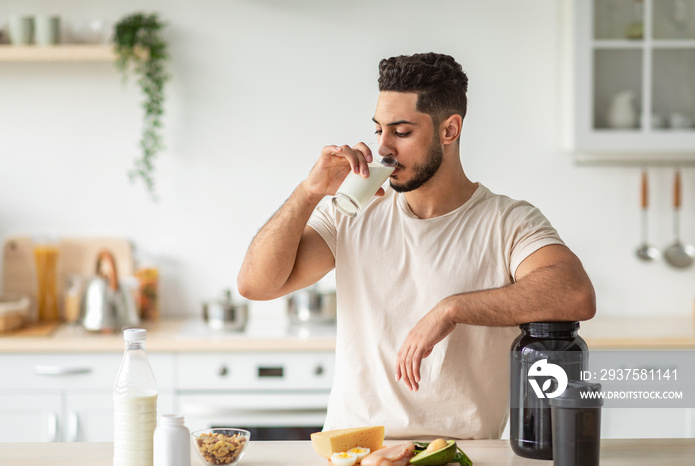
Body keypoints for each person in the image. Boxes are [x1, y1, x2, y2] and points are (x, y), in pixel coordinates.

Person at [237, 52, 596, 439]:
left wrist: (452, 309)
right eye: (379, 131)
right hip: (355, 451)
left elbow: (575, 293)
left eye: (401, 132)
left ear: (450, 130)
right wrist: (308, 193)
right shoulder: (353, 211)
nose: (384, 148)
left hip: (459, 455)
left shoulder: (508, 221)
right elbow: (256, 285)